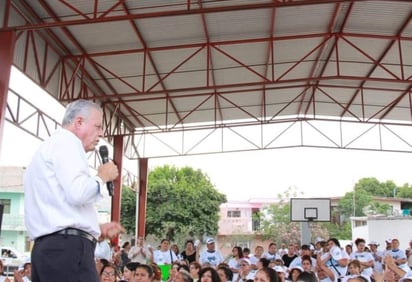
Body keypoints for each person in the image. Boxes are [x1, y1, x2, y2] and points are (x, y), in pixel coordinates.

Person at [24, 99, 124, 282]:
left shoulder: (51, 147)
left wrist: (95, 228)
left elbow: (61, 206)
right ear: (79, 122)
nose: (100, 134)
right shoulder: (68, 142)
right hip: (66, 249)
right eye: (98, 126)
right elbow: (77, 193)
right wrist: (102, 176)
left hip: (51, 250)